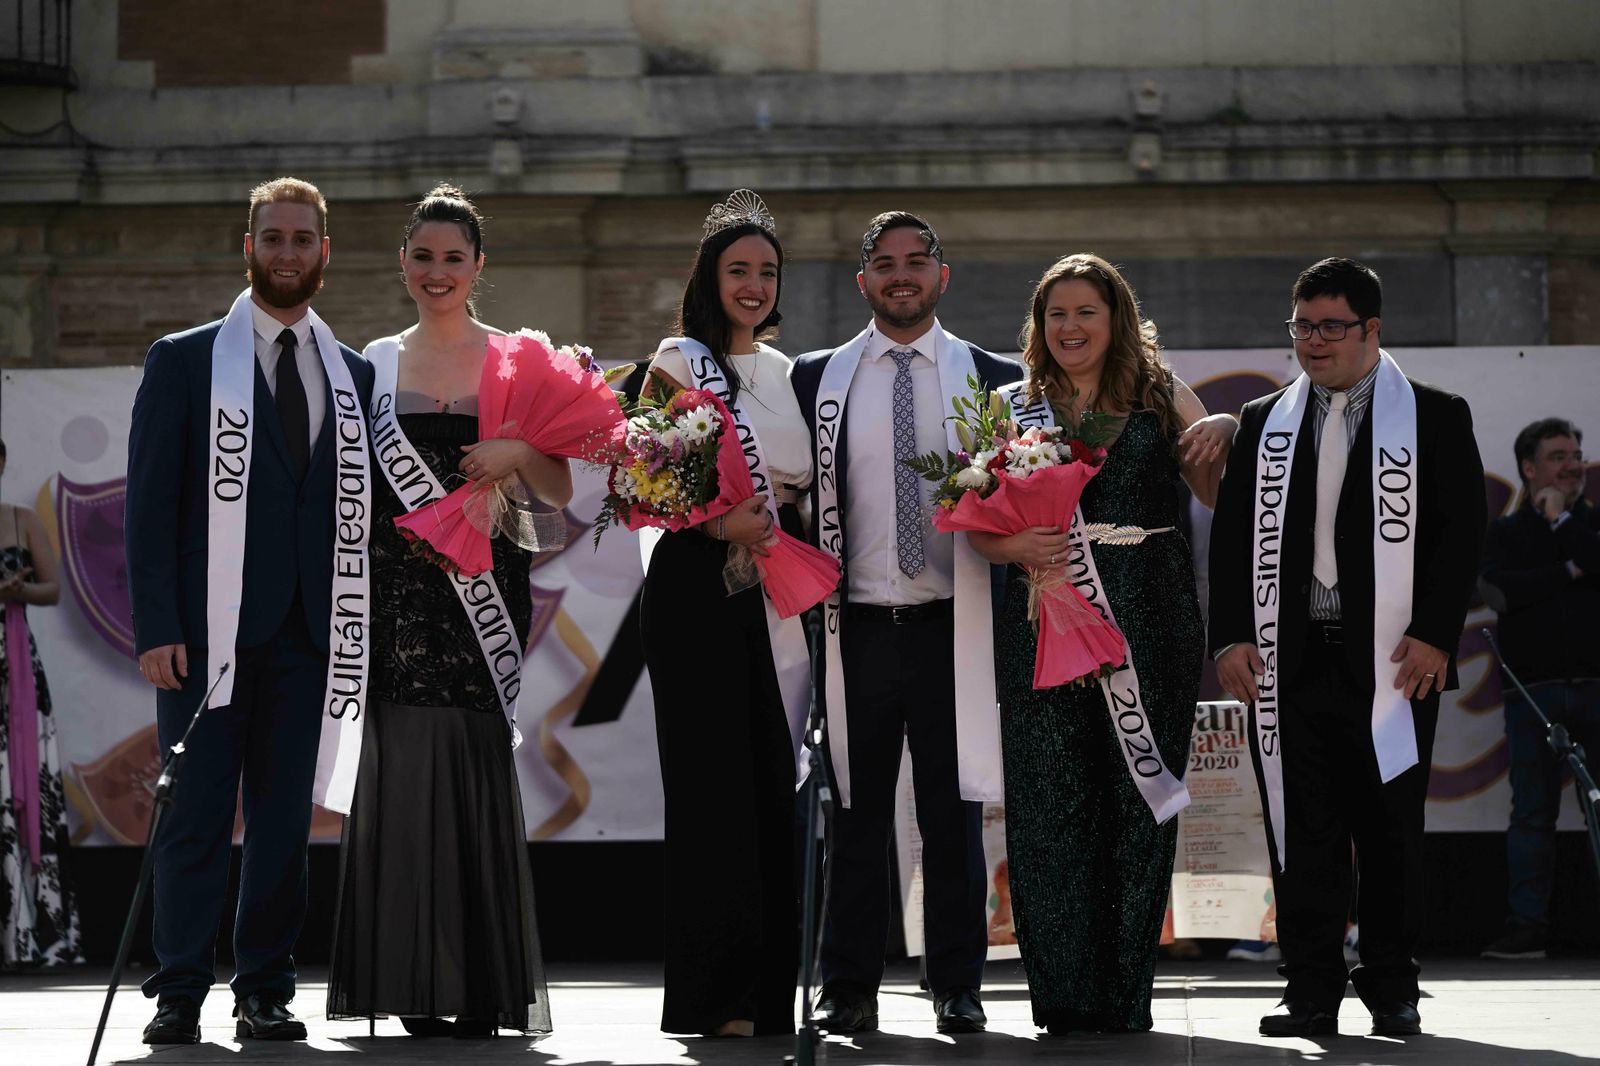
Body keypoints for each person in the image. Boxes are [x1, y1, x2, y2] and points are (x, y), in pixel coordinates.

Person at [126, 177, 375, 1043]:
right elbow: (149, 507)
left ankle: (265, 985)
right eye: (272, 238)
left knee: (280, 826)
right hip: (202, 640)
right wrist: (156, 625)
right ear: (248, 247)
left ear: (324, 254)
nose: (287, 254)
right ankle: (181, 989)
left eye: (303, 240)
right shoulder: (186, 359)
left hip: (311, 634)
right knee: (195, 820)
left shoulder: (355, 372)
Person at [1209, 257, 1485, 1038]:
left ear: (1373, 330)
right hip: (1289, 658)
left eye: (1332, 327)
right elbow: (1232, 540)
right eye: (1302, 326)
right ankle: (1310, 989)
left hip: (1396, 663)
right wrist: (1229, 634)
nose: (1314, 342)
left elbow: (1462, 536)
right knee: (1303, 829)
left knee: (1390, 828)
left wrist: (1436, 633)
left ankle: (1393, 985)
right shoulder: (1265, 420)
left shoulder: (1433, 414)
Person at [965, 254, 1234, 1032]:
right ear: (1038, 326)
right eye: (1056, 314)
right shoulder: (1010, 407)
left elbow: (1220, 493)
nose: (1070, 327)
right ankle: (1063, 997)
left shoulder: (1160, 395)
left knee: (1136, 804)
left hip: (1150, 617)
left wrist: (1219, 429)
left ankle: (1124, 994)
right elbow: (977, 526)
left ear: (1116, 318)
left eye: (1086, 311)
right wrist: (1013, 552)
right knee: (1050, 804)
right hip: (1042, 613)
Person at [325, 184, 564, 1038]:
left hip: (482, 596)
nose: (437, 272)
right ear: (401, 264)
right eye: (422, 257)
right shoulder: (371, 361)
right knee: (401, 770)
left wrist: (520, 450)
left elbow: (560, 490)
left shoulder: (516, 360)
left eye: (453, 258)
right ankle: (410, 984)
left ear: (478, 267)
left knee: (469, 765)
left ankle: (480, 984)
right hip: (392, 597)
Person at [791, 211, 1021, 1034]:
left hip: (950, 628)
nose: (900, 276)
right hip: (852, 628)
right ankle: (846, 985)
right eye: (883, 264)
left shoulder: (994, 378)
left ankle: (956, 982)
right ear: (863, 282)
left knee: (951, 813)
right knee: (850, 813)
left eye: (915, 262)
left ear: (942, 275)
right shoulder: (818, 379)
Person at [637, 189, 811, 1037]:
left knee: (770, 789)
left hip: (776, 594)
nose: (753, 285)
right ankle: (715, 999)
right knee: (712, 795)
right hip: (696, 590)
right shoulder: (677, 359)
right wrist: (715, 520)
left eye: (767, 272)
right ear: (709, 276)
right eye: (738, 269)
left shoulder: (788, 375)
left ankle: (768, 995)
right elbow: (644, 478)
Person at [1479, 417, 1600, 960]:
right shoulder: (1504, 533)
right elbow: (1500, 592)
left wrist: (1565, 528)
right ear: (1529, 468)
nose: (1572, 465)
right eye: (1557, 456)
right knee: (1532, 814)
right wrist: (1572, 569)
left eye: (1575, 455)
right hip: (1533, 694)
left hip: (1597, 689)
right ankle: (1526, 929)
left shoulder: (1592, 525)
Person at [0, 437, 82, 969]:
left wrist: (15, 591)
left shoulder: (20, 518)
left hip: (14, 672)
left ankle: (29, 936)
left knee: (23, 787)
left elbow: (52, 589)